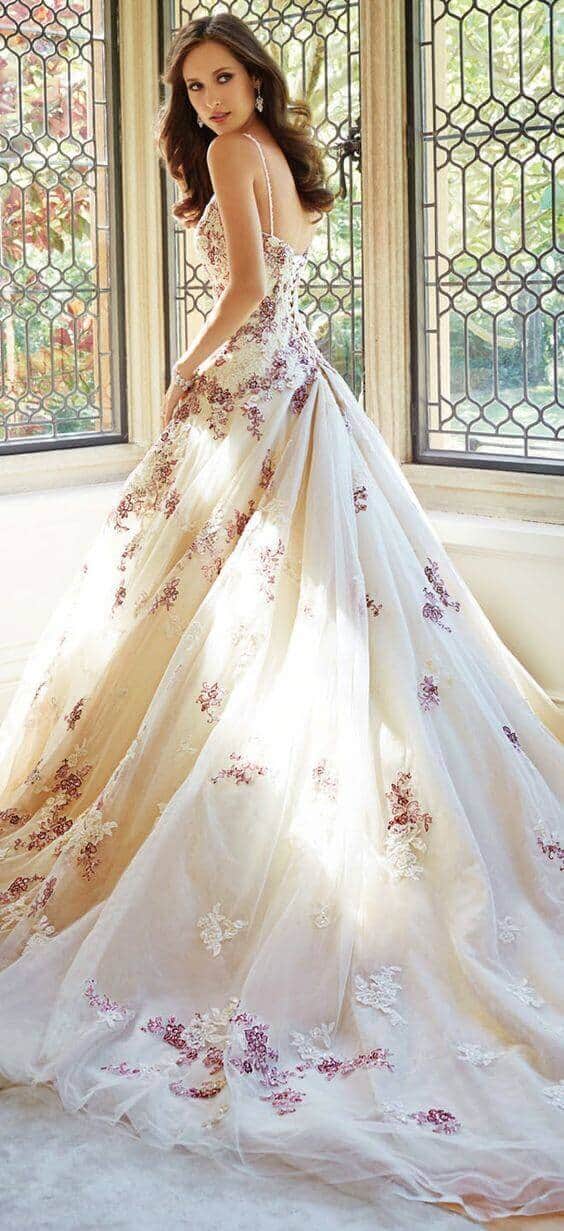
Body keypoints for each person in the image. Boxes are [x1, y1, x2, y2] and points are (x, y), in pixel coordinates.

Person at [0, 12, 563, 1226]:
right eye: (195, 85)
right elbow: (280, 274)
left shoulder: (237, 159)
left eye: (226, 78)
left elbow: (251, 287)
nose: (210, 99)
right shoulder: (270, 162)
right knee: (249, 606)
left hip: (256, 388)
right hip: (293, 385)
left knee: (236, 602)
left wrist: (185, 369)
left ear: (259, 81)